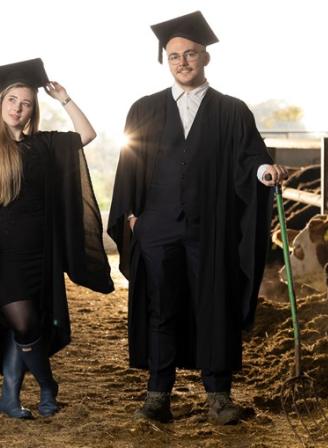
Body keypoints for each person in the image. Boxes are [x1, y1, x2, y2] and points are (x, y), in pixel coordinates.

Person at [107, 11, 288, 425]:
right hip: (157, 228)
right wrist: (135, 219)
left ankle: (219, 397)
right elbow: (128, 165)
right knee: (161, 309)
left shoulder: (231, 111)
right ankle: (158, 397)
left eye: (189, 54)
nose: (182, 62)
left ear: (206, 57)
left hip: (211, 231)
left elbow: (252, 157)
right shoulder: (144, 109)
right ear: (165, 61)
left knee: (214, 307)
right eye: (174, 57)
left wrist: (266, 172)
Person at [0, 58, 114, 419]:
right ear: (2, 104)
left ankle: (9, 398)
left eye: (25, 103)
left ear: (32, 112)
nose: (17, 107)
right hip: (4, 255)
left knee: (23, 326)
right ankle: (48, 386)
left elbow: (86, 135)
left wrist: (65, 99)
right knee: (25, 323)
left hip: (42, 254)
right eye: (12, 99)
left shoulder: (44, 145)